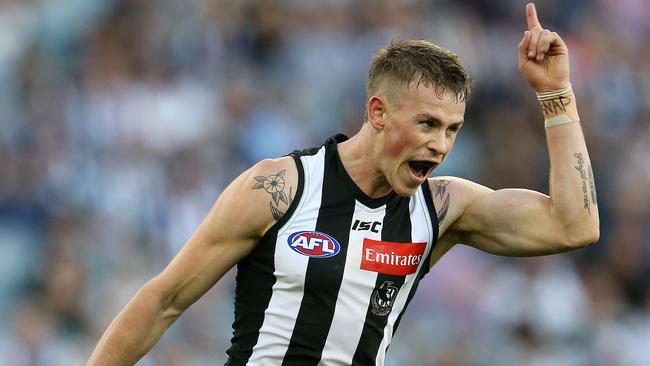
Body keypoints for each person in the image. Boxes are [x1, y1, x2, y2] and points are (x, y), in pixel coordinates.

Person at [87, 3, 599, 365]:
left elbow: (573, 226)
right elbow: (164, 300)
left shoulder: (442, 209)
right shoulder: (280, 188)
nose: (441, 146)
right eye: (426, 124)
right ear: (378, 112)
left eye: (452, 130)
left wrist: (557, 95)